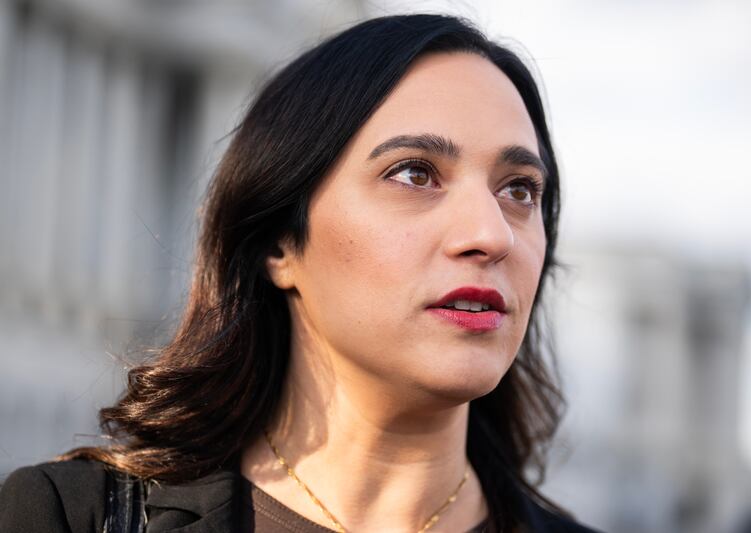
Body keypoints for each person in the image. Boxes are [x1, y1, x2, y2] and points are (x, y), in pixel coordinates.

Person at [0, 14, 601, 533]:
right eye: (414, 174)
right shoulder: (70, 516)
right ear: (280, 241)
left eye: (519, 189)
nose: (491, 234)